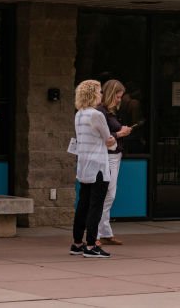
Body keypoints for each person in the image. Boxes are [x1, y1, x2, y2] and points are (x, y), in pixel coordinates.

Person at [70, 79, 115, 258]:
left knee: (83, 204)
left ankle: (77, 242)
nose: (102, 95)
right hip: (98, 165)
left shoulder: (79, 114)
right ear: (93, 94)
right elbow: (108, 138)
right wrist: (113, 139)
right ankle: (91, 244)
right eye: (99, 91)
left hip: (84, 164)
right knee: (96, 206)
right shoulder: (96, 115)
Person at [96, 79, 132, 246]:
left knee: (109, 195)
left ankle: (104, 231)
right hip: (107, 156)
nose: (119, 100)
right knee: (106, 195)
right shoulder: (101, 112)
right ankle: (95, 233)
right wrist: (121, 133)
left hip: (114, 156)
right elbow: (104, 137)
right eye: (118, 96)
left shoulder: (109, 112)